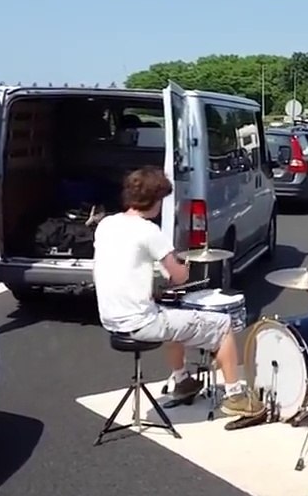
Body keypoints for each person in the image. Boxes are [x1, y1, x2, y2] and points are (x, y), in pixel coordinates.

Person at [92, 166, 260, 416]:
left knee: (173, 314)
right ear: (156, 199)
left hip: (110, 318)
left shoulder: (106, 224)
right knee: (223, 325)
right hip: (140, 322)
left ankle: (182, 381)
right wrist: (186, 265)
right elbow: (178, 277)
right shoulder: (148, 230)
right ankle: (235, 396)